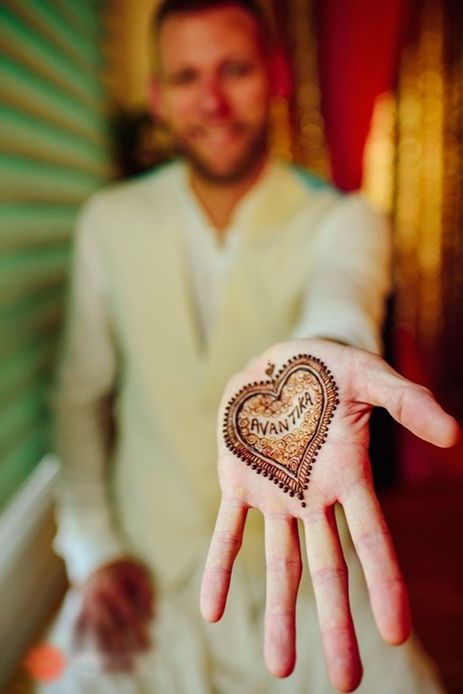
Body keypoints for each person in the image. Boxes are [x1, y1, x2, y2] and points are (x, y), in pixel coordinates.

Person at [45, 1, 459, 692]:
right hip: (143, 576)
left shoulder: (345, 221)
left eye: (232, 69)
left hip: (299, 565)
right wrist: (94, 552)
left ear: (274, 76)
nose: (210, 100)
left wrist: (322, 356)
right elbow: (76, 398)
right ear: (157, 97)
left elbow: (341, 299)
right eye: (184, 76)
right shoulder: (107, 222)